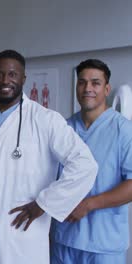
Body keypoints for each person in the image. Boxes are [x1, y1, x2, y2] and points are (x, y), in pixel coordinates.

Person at [0, 49, 98, 264]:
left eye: (12, 74)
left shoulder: (45, 120)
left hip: (17, 234)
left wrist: (45, 204)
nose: (5, 80)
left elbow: (85, 165)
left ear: (23, 78)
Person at [51, 59, 132, 264]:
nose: (88, 88)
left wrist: (88, 205)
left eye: (95, 83)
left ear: (106, 89)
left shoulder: (124, 130)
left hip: (104, 244)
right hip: (64, 240)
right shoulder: (64, 128)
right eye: (82, 82)